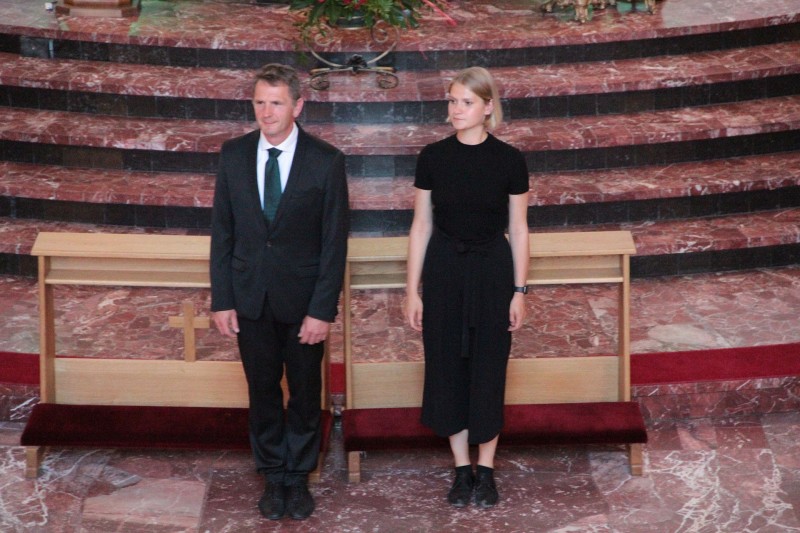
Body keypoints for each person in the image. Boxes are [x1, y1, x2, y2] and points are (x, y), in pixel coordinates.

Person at [210, 63, 349, 521]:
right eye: (259, 103)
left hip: (304, 302)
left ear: (297, 106)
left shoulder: (325, 160)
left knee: (305, 394)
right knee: (262, 389)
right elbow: (222, 233)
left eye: (276, 103)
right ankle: (273, 474)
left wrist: (322, 310)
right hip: (250, 297)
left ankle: (299, 476)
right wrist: (222, 299)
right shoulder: (233, 155)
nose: (266, 112)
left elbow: (334, 244)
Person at [404, 66, 530, 508]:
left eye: (467, 102)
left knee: (488, 368)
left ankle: (487, 469)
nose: (456, 109)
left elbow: (519, 228)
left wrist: (519, 291)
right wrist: (412, 290)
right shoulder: (432, 157)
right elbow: (421, 226)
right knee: (447, 367)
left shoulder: (510, 159)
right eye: (453, 101)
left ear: (488, 107)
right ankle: (461, 469)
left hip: (492, 273)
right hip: (444, 272)